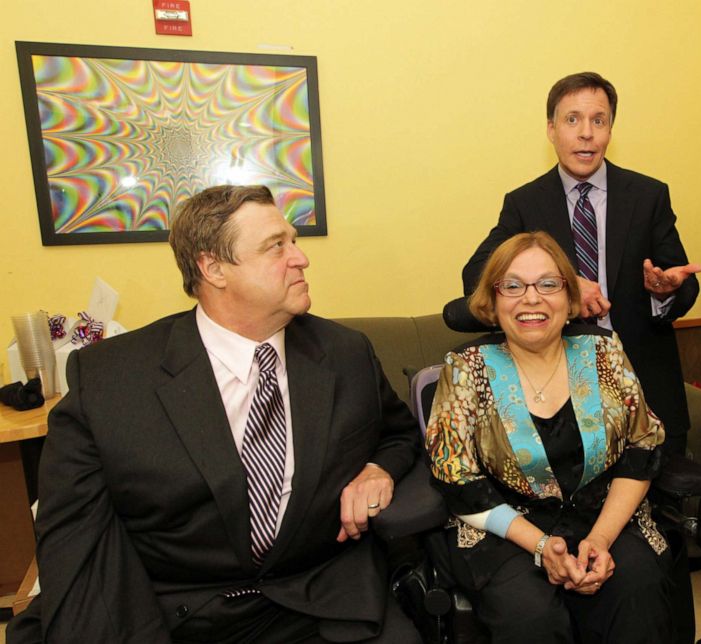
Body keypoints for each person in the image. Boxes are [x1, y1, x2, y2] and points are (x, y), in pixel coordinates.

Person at [8, 185, 422, 644]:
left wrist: (377, 468)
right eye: (275, 246)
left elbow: (400, 434)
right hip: (180, 610)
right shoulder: (110, 379)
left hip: (318, 597)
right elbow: (71, 533)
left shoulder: (346, 354)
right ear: (213, 268)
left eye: (294, 240)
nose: (300, 258)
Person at [428, 231, 674, 643]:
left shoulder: (604, 352)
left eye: (548, 284)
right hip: (506, 529)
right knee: (531, 617)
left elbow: (641, 447)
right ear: (492, 300)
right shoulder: (465, 367)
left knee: (639, 592)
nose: (531, 299)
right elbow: (458, 479)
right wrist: (543, 546)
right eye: (512, 285)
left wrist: (599, 539)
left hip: (604, 515)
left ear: (569, 296)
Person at [462, 71, 701, 457]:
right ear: (551, 129)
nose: (586, 133)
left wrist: (666, 290)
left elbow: (682, 282)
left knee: (661, 511)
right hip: (560, 397)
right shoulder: (526, 203)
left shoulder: (648, 195)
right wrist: (565, 282)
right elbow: (475, 276)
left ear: (610, 130)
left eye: (598, 120)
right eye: (572, 120)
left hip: (647, 389)